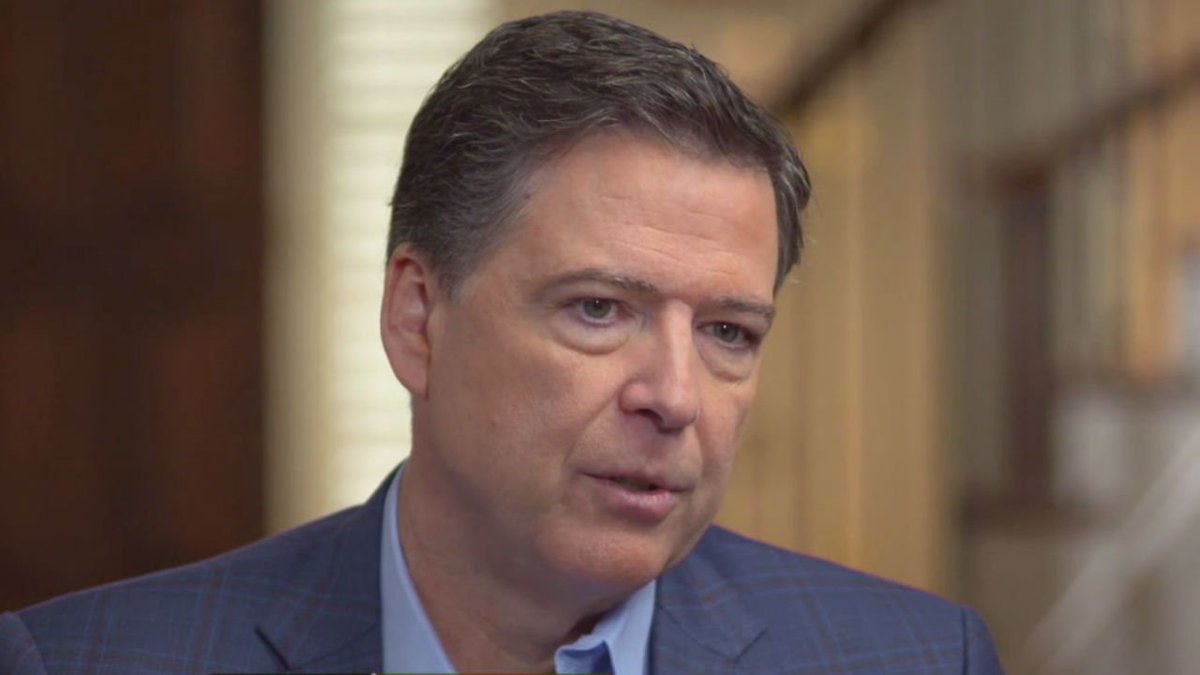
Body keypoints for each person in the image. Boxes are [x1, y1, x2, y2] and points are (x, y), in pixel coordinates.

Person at [0, 11, 1003, 674]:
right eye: (599, 310)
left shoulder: (914, 659)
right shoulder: (88, 661)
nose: (675, 395)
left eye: (728, 331)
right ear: (417, 321)